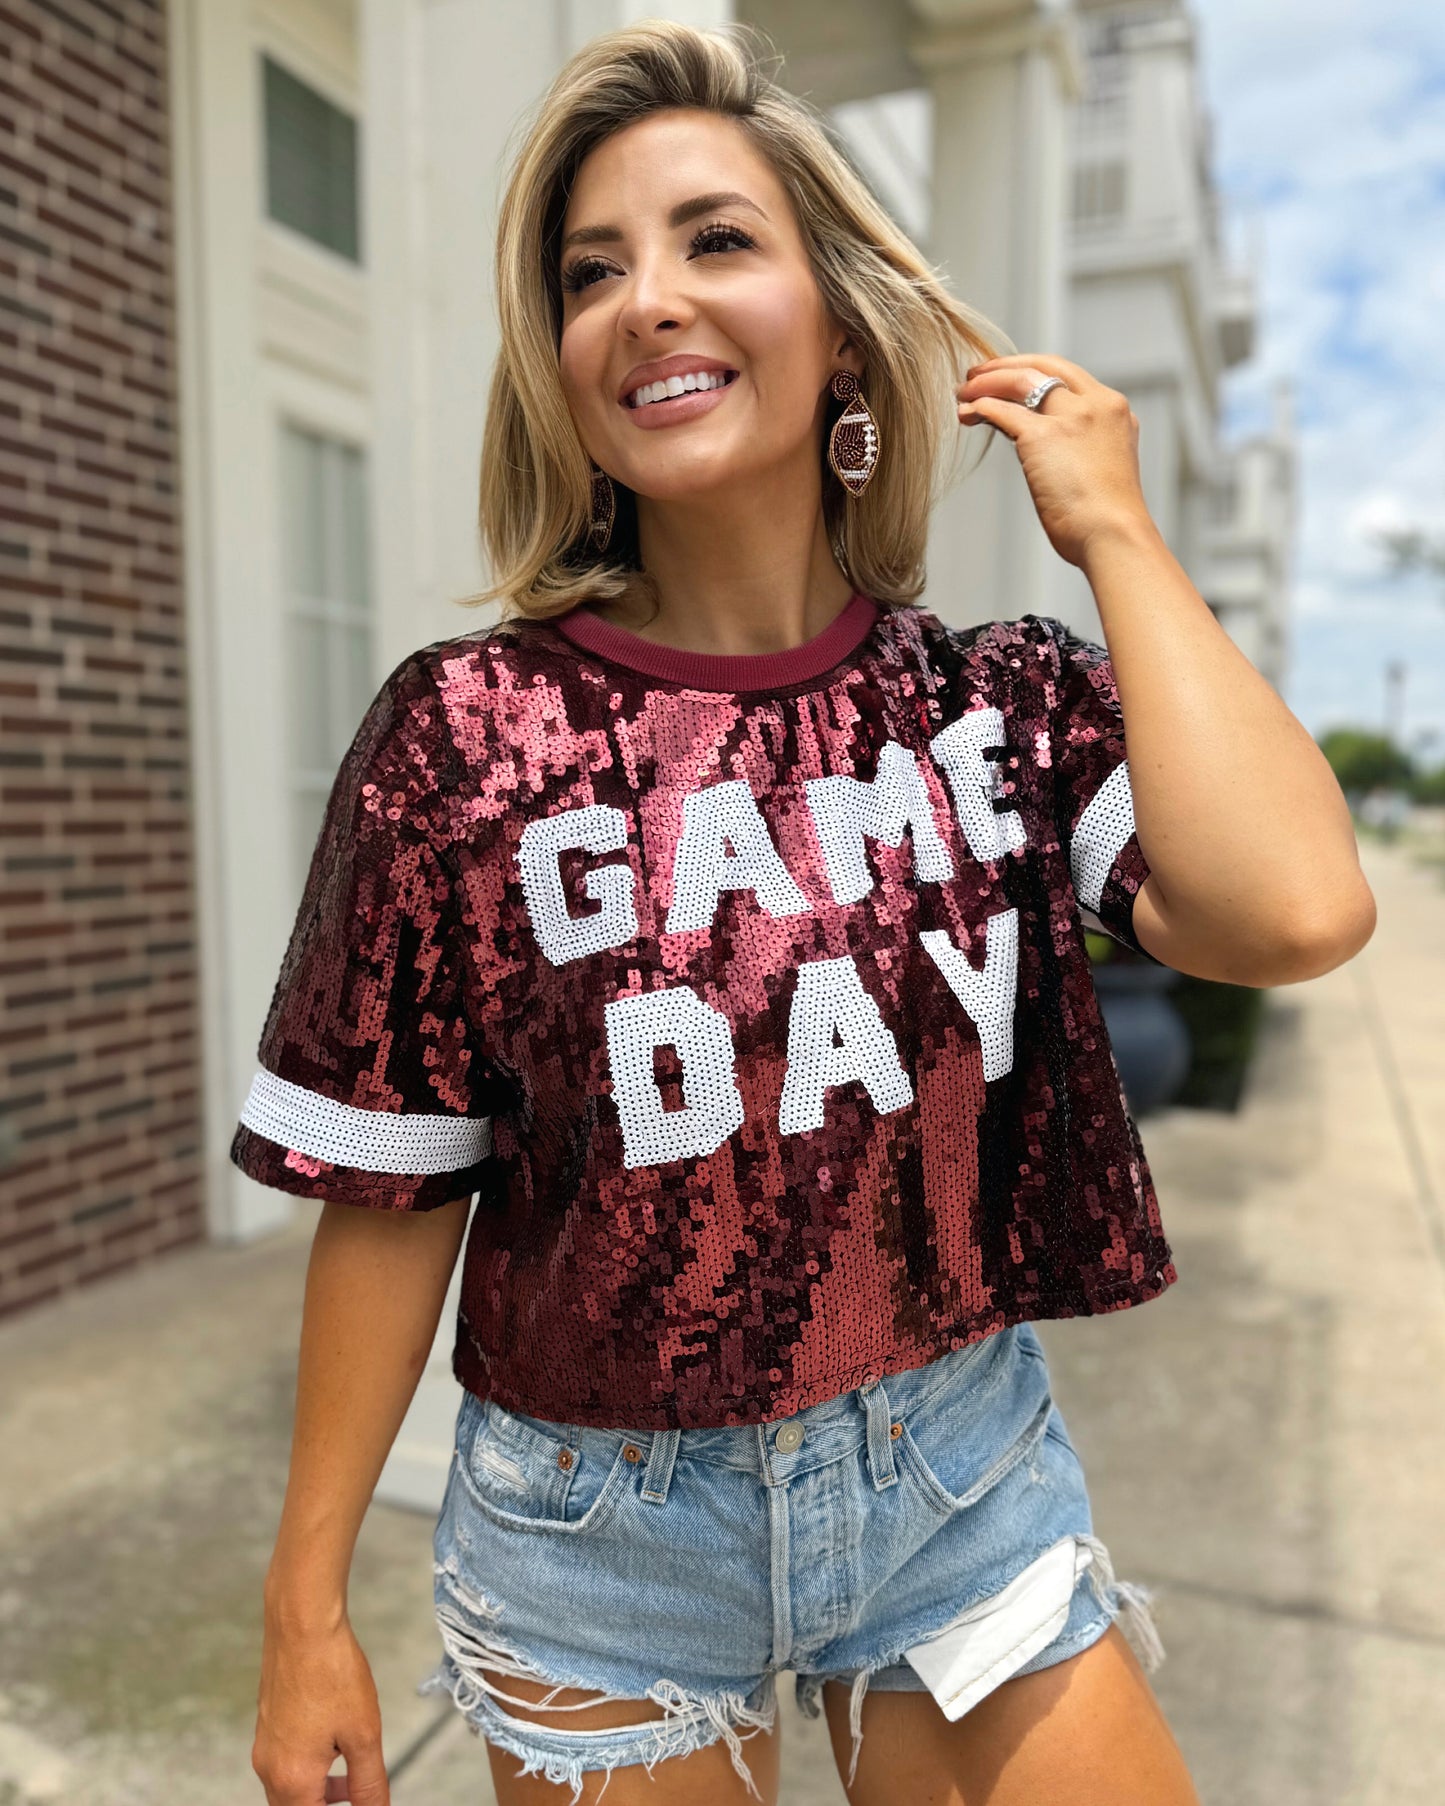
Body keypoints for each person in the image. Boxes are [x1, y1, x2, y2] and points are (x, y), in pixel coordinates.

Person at [237, 21, 1376, 1806]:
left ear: (839, 322)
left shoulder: (991, 701)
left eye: (714, 240)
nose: (647, 302)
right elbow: (395, 1189)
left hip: (956, 1481)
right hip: (596, 1539)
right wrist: (304, 1603)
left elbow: (1294, 910)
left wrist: (1120, 544)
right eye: (589, 272)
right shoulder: (464, 733)